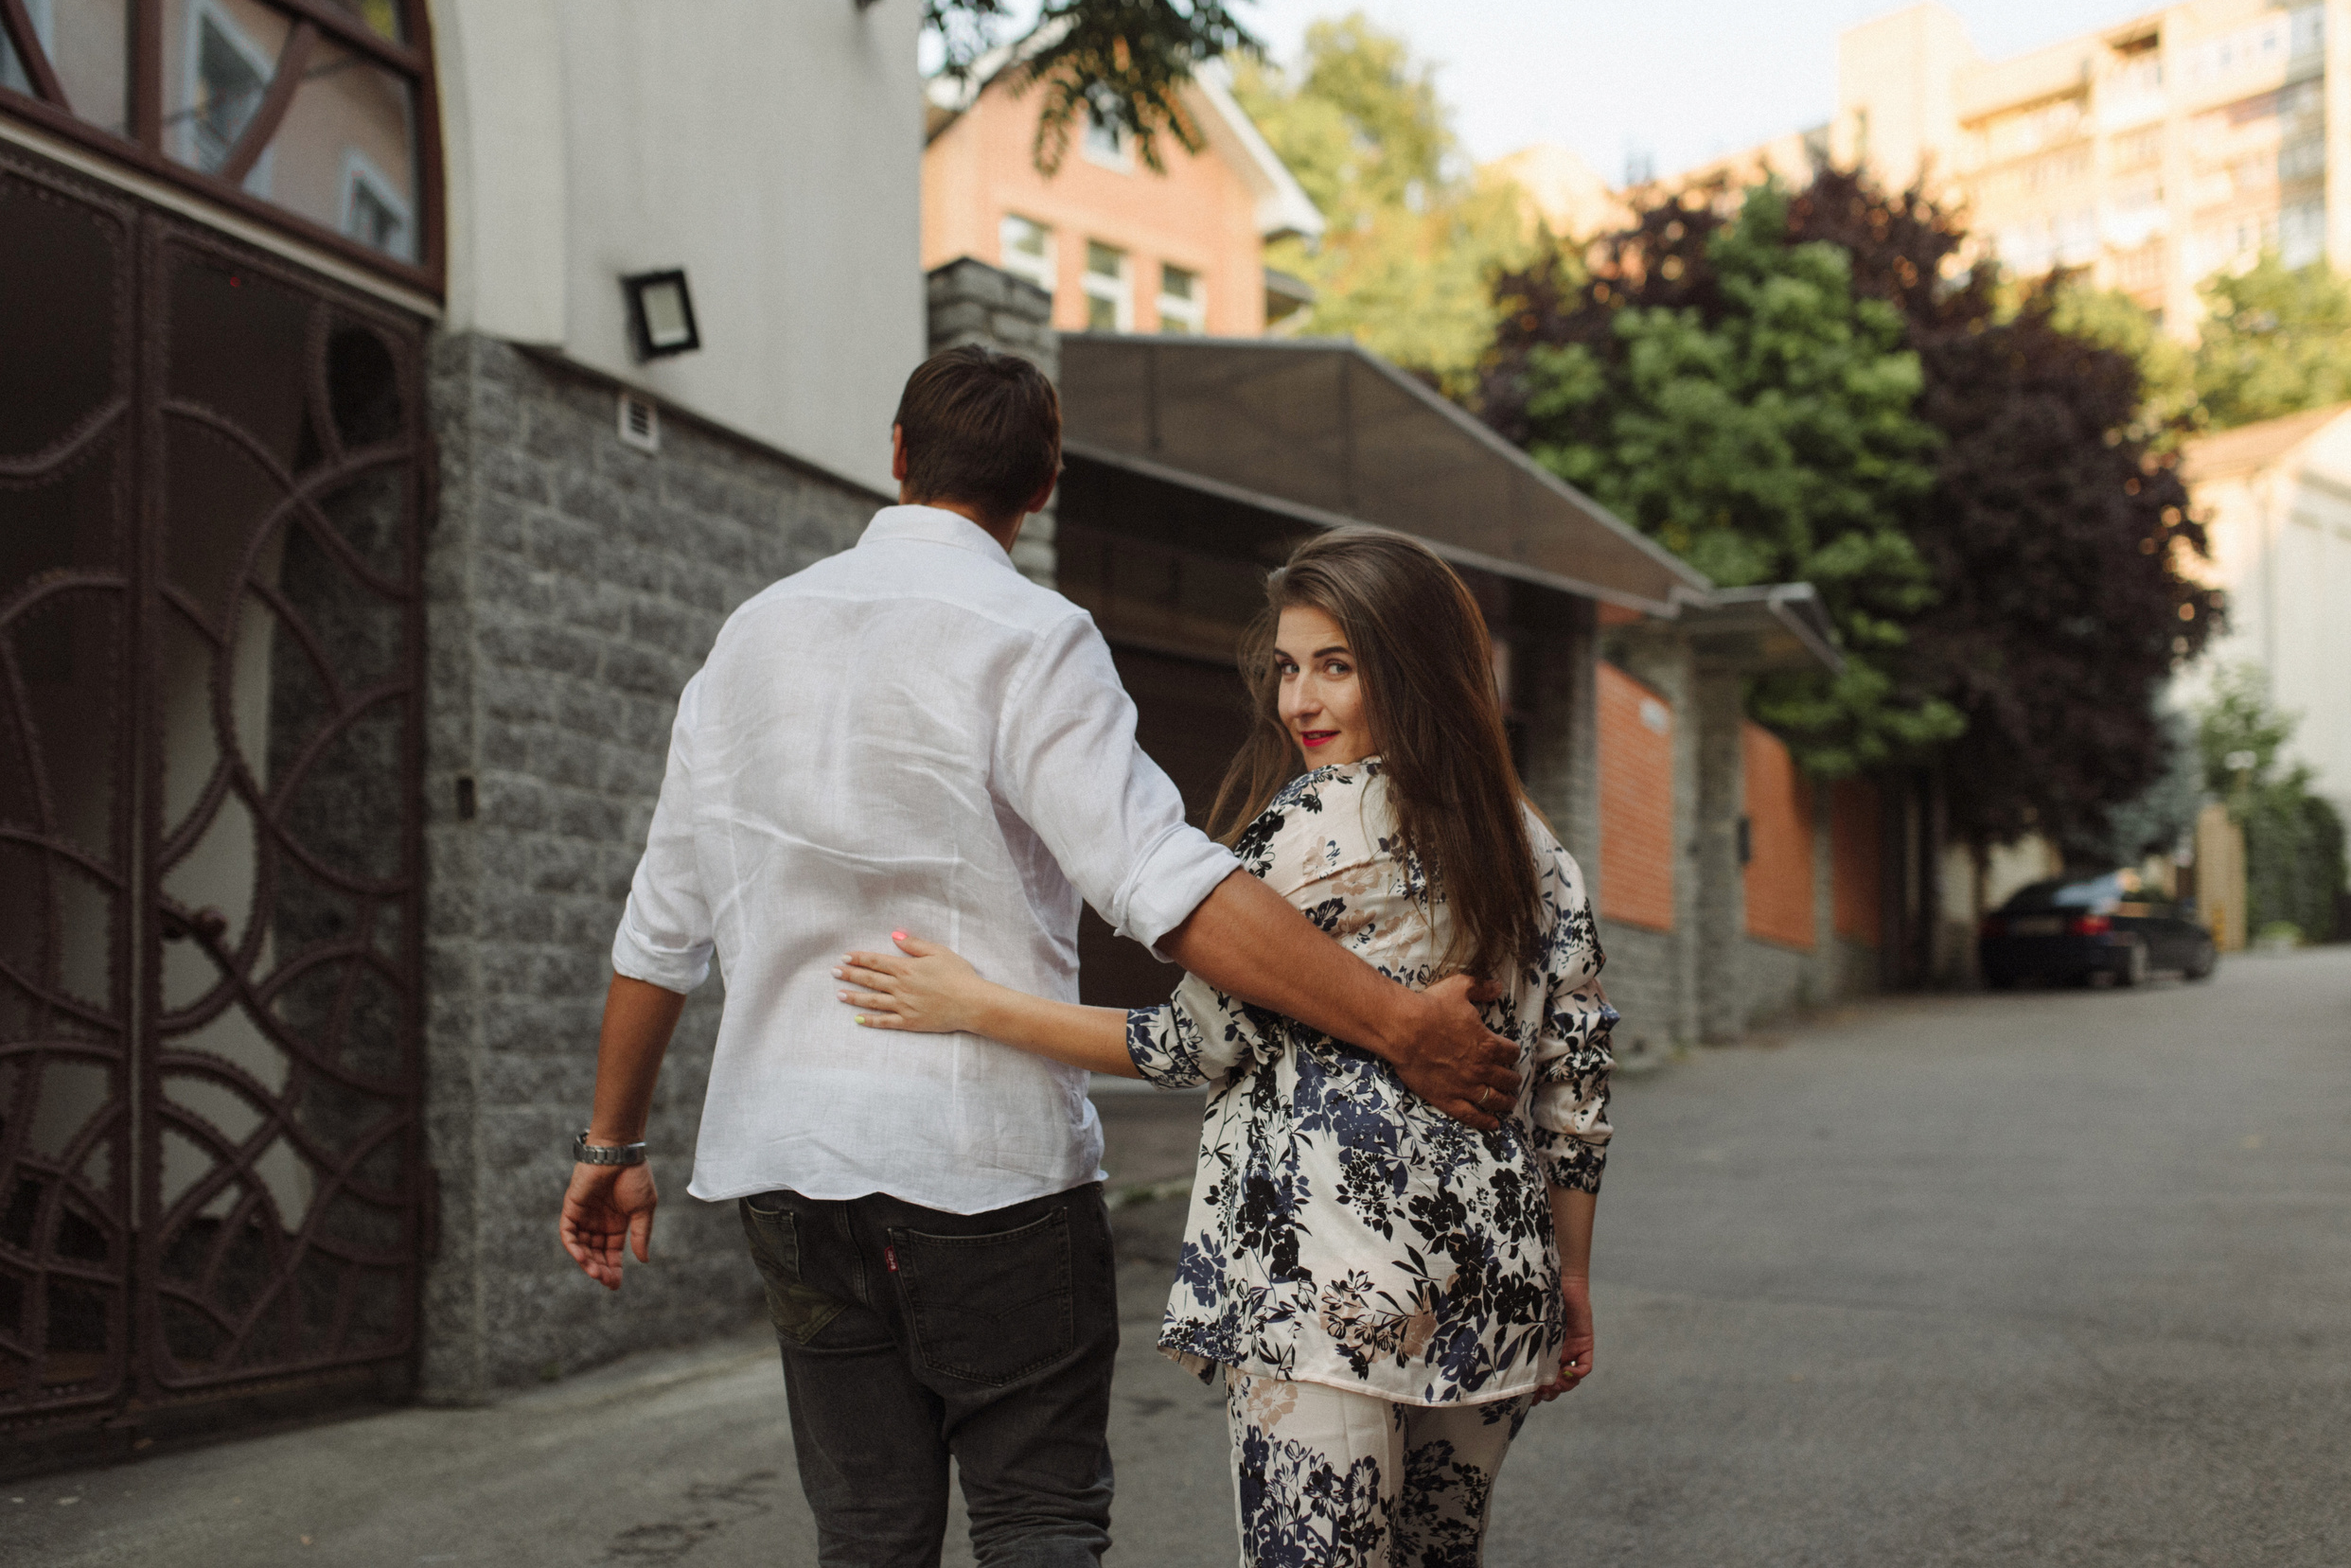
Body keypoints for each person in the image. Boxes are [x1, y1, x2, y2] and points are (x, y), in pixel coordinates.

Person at [557, 347, 1520, 1568]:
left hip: (791, 1168)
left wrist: (611, 1146)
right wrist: (1397, 1021)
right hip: (986, 1170)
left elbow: (660, 927)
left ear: (896, 454)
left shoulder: (749, 638)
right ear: (1046, 482)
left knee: (864, 1532)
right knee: (1037, 1521)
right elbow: (1161, 883)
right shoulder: (1031, 634)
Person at [839, 527, 1617, 1568]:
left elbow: (1183, 1043)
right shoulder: (1539, 851)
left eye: (1337, 667)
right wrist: (1571, 1274)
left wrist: (973, 1001)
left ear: (1412, 668)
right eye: (1291, 668)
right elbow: (1574, 1091)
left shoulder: (1317, 824)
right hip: (1498, 1286)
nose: (1301, 702)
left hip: (1331, 1288)